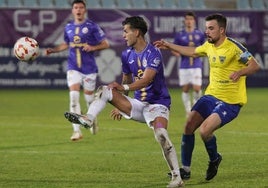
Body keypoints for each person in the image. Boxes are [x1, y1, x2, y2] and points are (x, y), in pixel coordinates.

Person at [64, 16, 184, 187]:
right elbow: (126, 81)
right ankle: (89, 118)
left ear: (137, 32)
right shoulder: (127, 54)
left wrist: (123, 89)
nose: (123, 35)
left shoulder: (153, 53)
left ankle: (177, 178)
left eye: (126, 31)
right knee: (105, 90)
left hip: (158, 105)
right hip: (137, 105)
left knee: (161, 135)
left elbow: (146, 80)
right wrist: (121, 103)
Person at [154, 13, 260, 181]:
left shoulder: (234, 48)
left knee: (204, 131)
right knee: (188, 125)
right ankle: (185, 170)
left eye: (211, 29)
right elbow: (193, 52)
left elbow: (254, 65)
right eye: (206, 28)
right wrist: (170, 46)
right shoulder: (208, 46)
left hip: (230, 101)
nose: (207, 32)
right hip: (211, 96)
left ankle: (214, 158)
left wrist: (240, 72)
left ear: (222, 30)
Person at [46, 0, 110, 141]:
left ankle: (91, 118)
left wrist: (93, 48)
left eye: (81, 7)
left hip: (89, 69)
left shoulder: (92, 26)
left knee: (88, 99)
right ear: (72, 11)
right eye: (76, 7)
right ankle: (76, 131)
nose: (78, 10)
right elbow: (66, 44)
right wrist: (54, 50)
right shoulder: (68, 27)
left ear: (85, 10)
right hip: (73, 67)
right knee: (74, 98)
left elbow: (106, 44)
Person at [173, 12, 206, 118]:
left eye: (191, 19)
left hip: (196, 65)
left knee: (197, 88)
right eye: (187, 19)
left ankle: (196, 109)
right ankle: (188, 110)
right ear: (184, 21)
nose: (189, 21)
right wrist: (177, 53)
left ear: (194, 21)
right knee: (186, 89)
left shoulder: (200, 34)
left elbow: (204, 47)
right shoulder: (180, 35)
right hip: (184, 66)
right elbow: (174, 48)